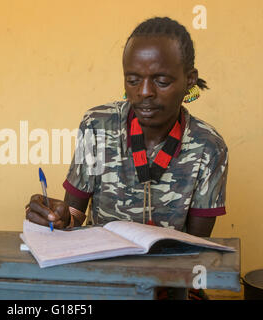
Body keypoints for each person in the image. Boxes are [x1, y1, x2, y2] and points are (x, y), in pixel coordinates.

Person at [25, 17, 228, 299]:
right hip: (103, 282)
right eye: (133, 80)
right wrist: (56, 218)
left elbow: (195, 250)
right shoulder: (97, 125)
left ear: (189, 80)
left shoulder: (209, 146)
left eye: (162, 80)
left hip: (171, 285)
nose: (144, 92)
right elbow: (74, 217)